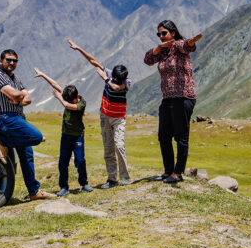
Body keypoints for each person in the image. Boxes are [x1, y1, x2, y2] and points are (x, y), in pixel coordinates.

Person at [0, 49, 55, 201]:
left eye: (14, 61)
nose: (11, 63)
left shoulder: (15, 78)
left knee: (27, 156)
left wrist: (18, 99)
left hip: (18, 118)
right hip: (6, 118)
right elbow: (16, 94)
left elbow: (28, 99)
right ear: (1, 61)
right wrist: (19, 96)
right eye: (8, 60)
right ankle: (3, 141)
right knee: (37, 137)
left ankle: (34, 192)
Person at [66, 38, 131, 189]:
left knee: (119, 145)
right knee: (108, 148)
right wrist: (78, 48)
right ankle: (112, 179)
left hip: (118, 118)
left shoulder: (126, 82)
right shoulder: (111, 74)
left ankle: (125, 177)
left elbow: (116, 88)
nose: (116, 80)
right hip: (105, 116)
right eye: (114, 78)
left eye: (118, 79)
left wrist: (106, 79)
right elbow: (93, 61)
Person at [143, 20, 202, 184]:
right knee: (163, 135)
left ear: (173, 33)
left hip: (183, 97)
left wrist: (191, 42)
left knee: (181, 136)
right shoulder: (162, 51)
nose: (161, 36)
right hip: (167, 98)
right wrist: (159, 47)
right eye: (159, 34)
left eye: (164, 33)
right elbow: (148, 60)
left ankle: (178, 173)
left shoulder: (178, 46)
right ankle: (168, 170)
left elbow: (187, 46)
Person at [33, 67, 92, 197]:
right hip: (66, 135)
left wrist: (59, 97)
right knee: (63, 162)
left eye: (71, 100)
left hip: (77, 136)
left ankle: (84, 183)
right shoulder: (69, 96)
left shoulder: (81, 103)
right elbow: (55, 85)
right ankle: (64, 187)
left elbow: (68, 106)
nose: (69, 101)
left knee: (80, 160)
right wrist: (43, 74)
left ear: (77, 96)